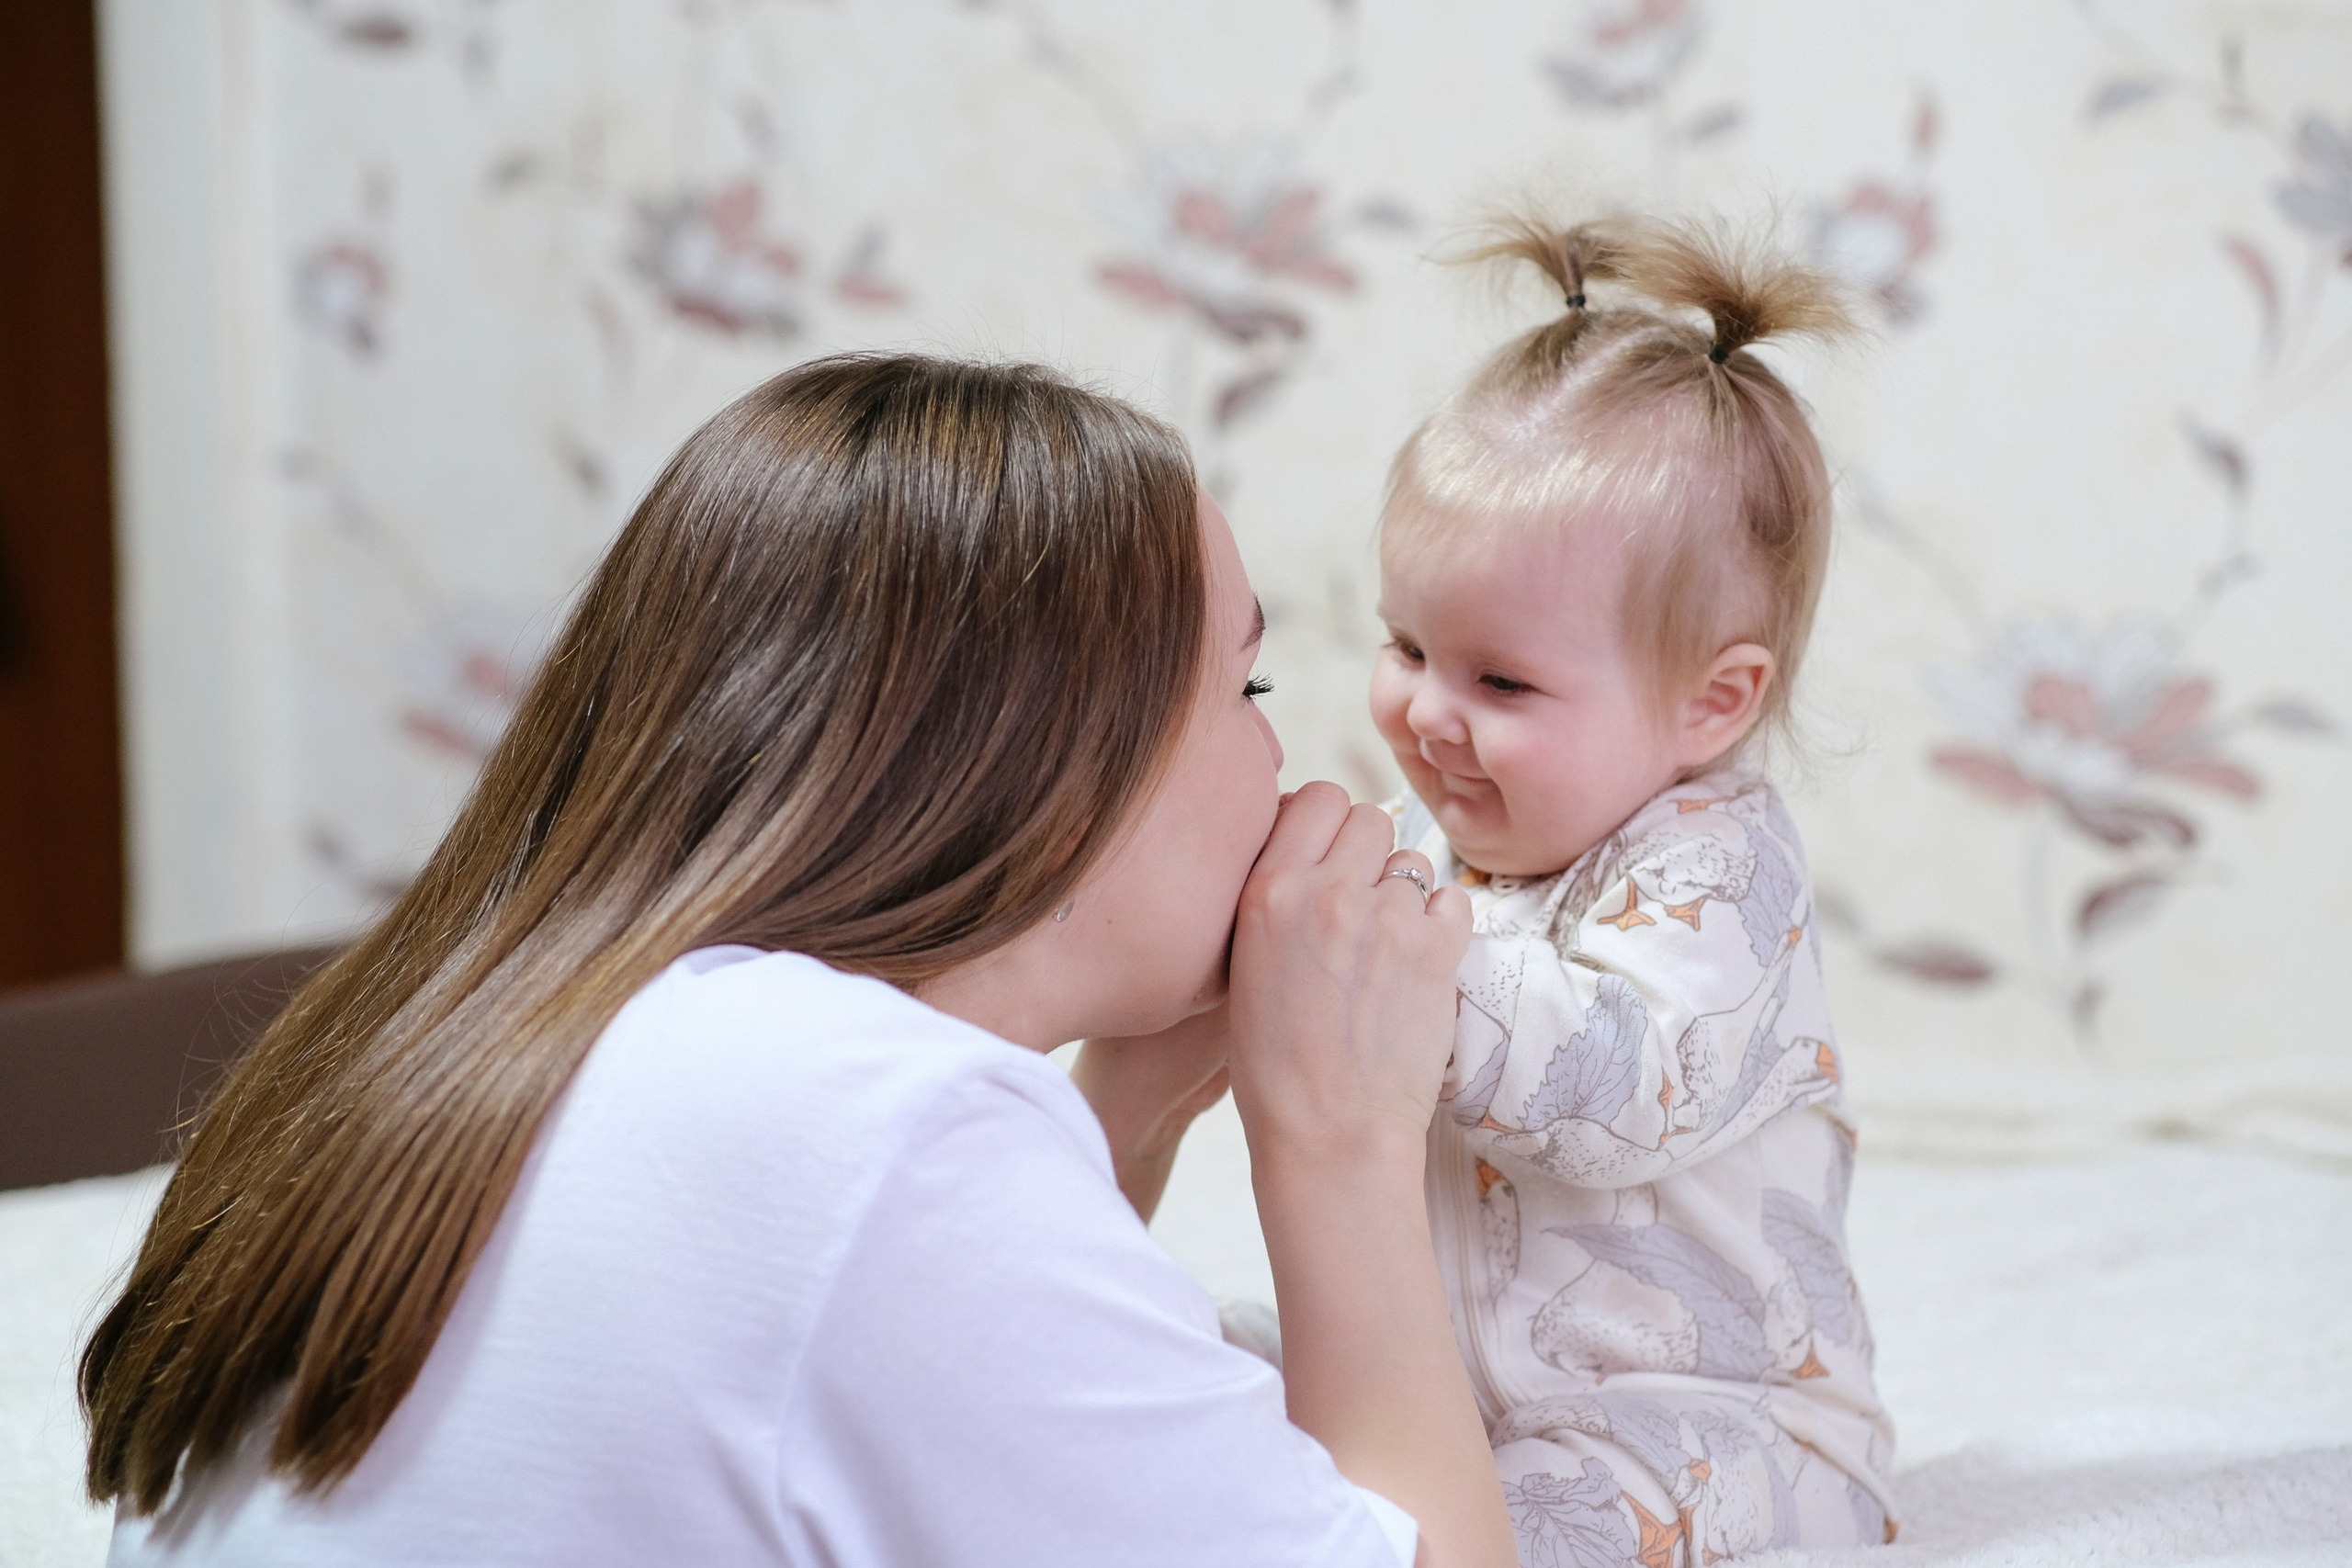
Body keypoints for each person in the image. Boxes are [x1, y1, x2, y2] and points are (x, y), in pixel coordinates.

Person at [80, 355, 1520, 1567]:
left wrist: (1121, 1117)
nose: (1289, 752)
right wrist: (1337, 1139)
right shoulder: (876, 1132)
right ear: (1037, 754)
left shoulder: (531, 1037)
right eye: (1246, 685)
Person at [1369, 215, 1899, 1564]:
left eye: (1501, 682)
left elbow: (1609, 1091)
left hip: (1728, 1431)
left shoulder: (1721, 876)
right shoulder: (1432, 855)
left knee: (1536, 1517)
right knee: (1218, 1386)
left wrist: (1382, 949)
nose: (1428, 712)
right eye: (1405, 644)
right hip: (1468, 1405)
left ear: (1709, 703)